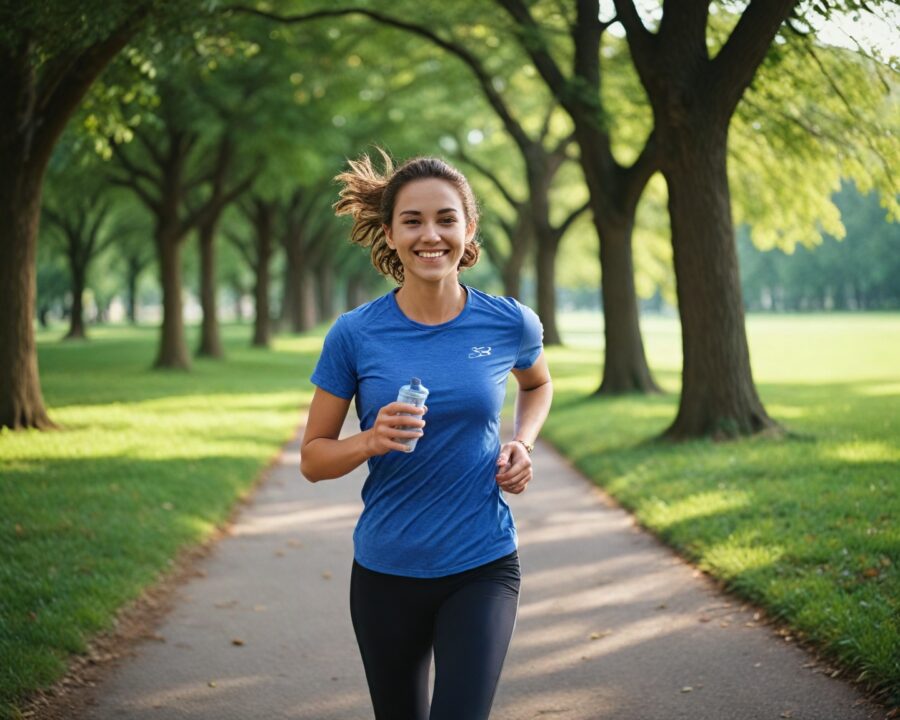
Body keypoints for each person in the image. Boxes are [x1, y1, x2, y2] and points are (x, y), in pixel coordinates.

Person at [300, 150, 553, 720]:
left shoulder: (510, 321)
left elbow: (537, 385)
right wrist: (368, 439)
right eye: (412, 221)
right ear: (389, 234)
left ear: (468, 230)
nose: (430, 235)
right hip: (386, 571)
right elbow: (313, 460)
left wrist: (523, 442)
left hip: (482, 562)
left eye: (445, 219)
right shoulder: (355, 335)